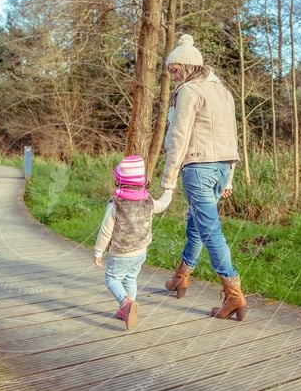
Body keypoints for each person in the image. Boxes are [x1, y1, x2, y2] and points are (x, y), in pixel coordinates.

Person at [159, 33, 247, 321]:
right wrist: (230, 177)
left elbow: (179, 136)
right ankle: (181, 276)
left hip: (198, 168)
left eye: (174, 70)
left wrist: (168, 180)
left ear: (186, 66)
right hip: (222, 167)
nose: (172, 76)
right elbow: (231, 136)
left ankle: (233, 294)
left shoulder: (189, 91)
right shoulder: (221, 90)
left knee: (210, 231)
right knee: (197, 225)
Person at [94, 155, 172, 330]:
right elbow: (162, 205)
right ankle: (128, 310)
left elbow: (106, 231)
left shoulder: (116, 204)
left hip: (121, 252)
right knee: (131, 278)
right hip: (140, 251)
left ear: (119, 180)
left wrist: (98, 251)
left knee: (112, 279)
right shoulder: (148, 200)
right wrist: (169, 192)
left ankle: (126, 303)